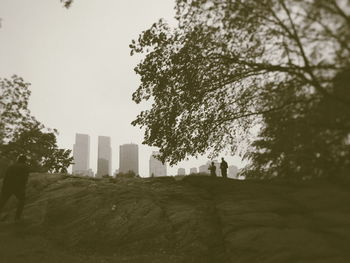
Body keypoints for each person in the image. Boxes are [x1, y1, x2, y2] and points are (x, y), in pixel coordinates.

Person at [0, 155, 30, 221]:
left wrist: (3, 188)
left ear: (18, 159)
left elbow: (6, 177)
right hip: (18, 187)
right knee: (22, 200)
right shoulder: (25, 167)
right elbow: (24, 178)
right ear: (25, 160)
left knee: (2, 202)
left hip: (7, 186)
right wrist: (23, 187)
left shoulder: (11, 166)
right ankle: (17, 217)